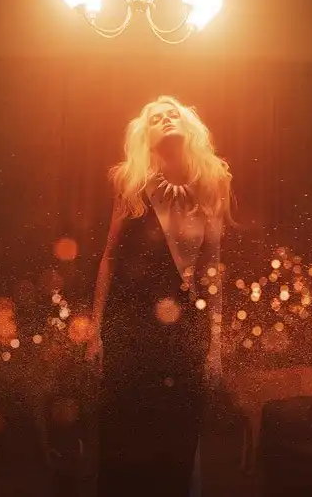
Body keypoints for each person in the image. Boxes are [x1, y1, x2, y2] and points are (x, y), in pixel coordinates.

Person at [86, 95, 235, 497]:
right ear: (146, 138)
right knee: (123, 438)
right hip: (130, 327)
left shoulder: (212, 187)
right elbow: (108, 261)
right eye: (156, 118)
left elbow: (211, 271)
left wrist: (215, 346)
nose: (166, 119)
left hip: (184, 330)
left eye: (173, 115)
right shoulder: (131, 185)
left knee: (177, 439)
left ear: (189, 129)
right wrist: (95, 330)